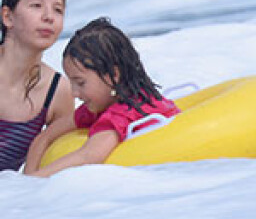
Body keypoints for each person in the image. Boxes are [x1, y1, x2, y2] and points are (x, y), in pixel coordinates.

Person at [26, 17, 179, 177]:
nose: (74, 92)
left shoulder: (120, 115)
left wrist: (36, 180)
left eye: (80, 83)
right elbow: (45, 136)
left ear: (113, 74)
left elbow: (90, 156)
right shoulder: (130, 97)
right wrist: (27, 179)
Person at [0, 0, 75, 172]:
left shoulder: (58, 92)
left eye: (58, 10)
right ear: (7, 16)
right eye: (36, 6)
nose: (49, 17)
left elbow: (58, 158)